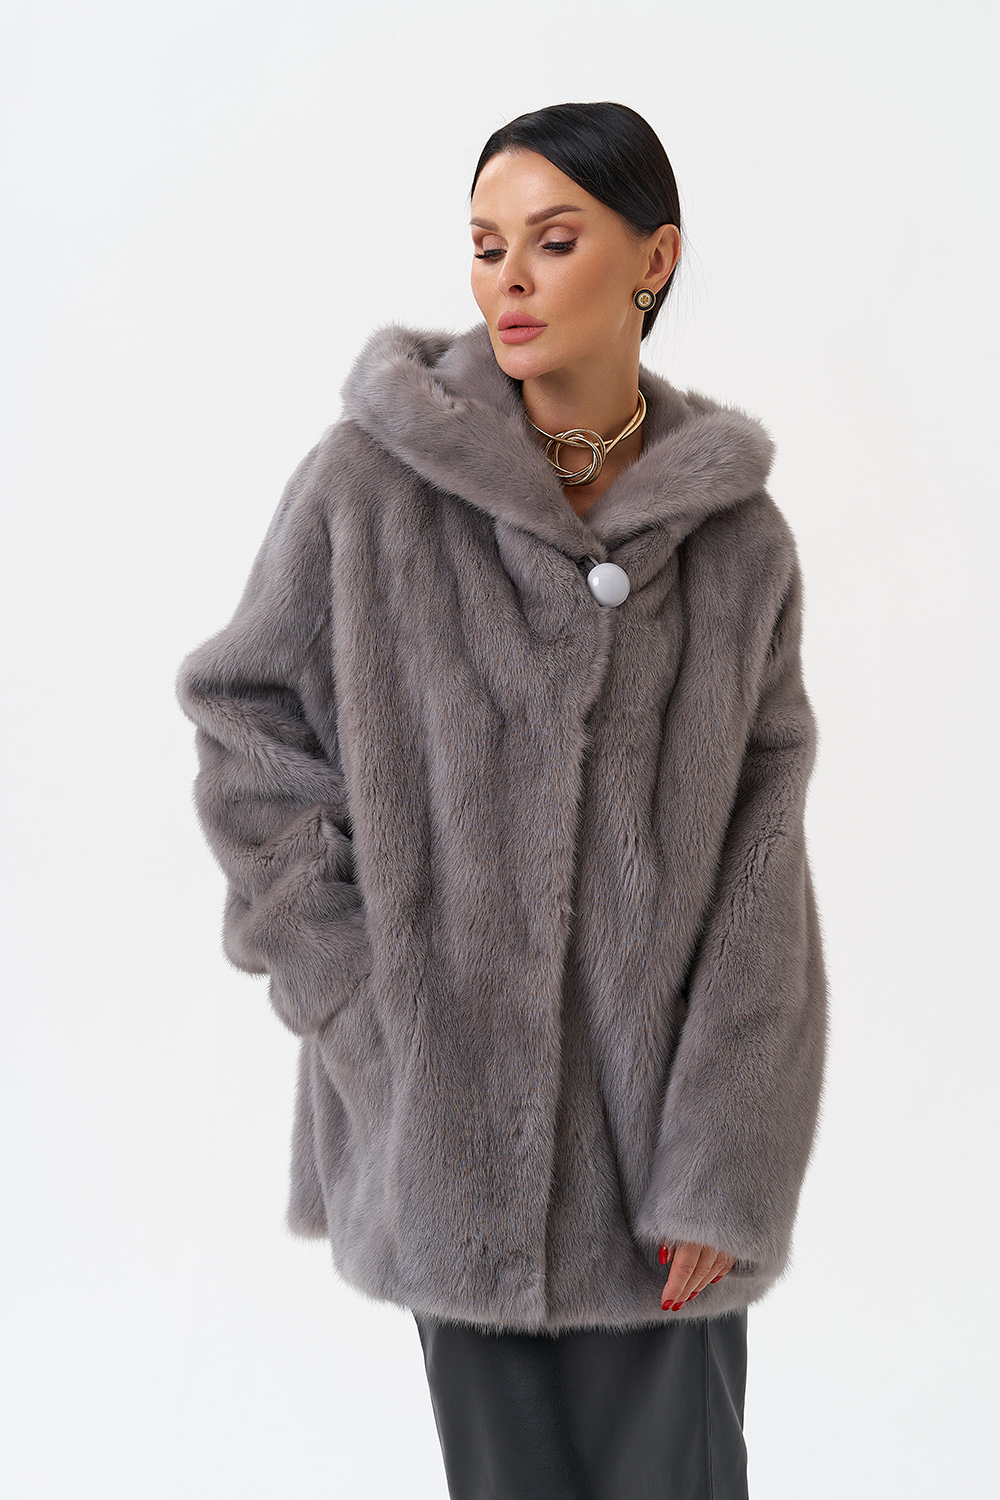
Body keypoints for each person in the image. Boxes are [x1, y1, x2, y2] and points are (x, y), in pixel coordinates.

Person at [175, 100, 828, 1500]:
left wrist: (720, 1160)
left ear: (654, 259)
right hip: (446, 1148)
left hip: (660, 1176)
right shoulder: (372, 485)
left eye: (553, 240)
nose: (510, 280)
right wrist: (365, 1005)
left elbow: (763, 859)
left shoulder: (735, 543)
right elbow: (245, 722)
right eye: (485, 246)